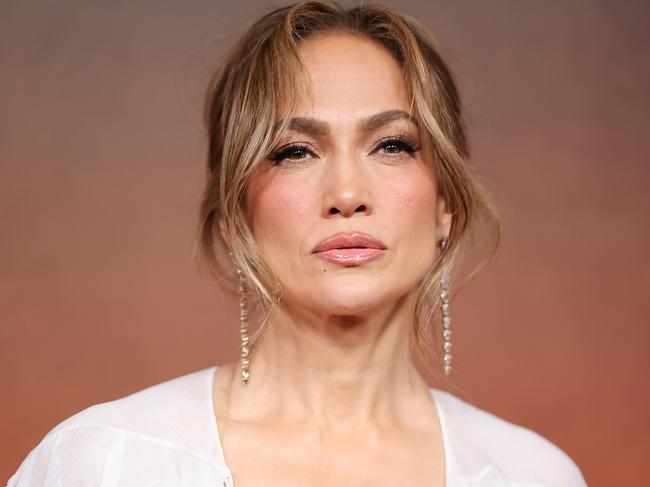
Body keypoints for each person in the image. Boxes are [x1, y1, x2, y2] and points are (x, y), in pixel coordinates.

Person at [8, 1, 589, 486]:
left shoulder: (531, 474)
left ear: (445, 205)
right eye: (294, 151)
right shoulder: (107, 462)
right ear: (233, 216)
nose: (346, 192)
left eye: (391, 145)